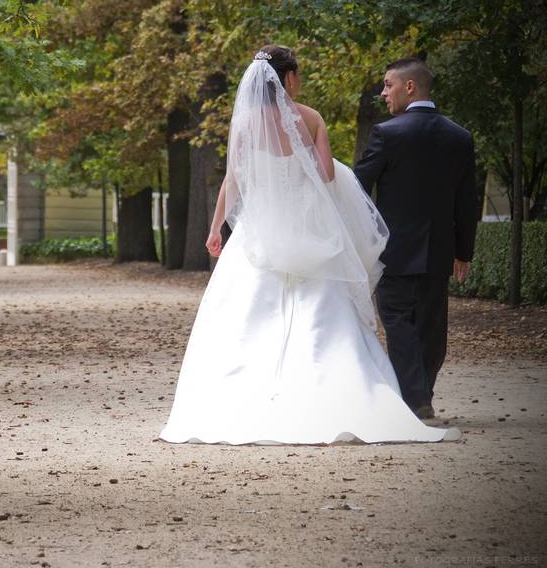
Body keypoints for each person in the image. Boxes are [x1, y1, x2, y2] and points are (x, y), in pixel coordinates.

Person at [158, 46, 458, 445]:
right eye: (298, 73)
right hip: (307, 229)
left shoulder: (246, 123)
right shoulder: (312, 118)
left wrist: (216, 230)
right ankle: (338, 392)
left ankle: (243, 396)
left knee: (244, 315)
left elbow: (233, 181)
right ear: (290, 78)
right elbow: (326, 177)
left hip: (259, 233)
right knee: (324, 315)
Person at [353, 57, 477, 419]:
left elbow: (360, 186)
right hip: (439, 252)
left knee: (397, 322)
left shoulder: (387, 134)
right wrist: (463, 252)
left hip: (394, 250)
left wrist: (359, 234)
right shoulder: (460, 137)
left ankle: (416, 399)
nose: (383, 92)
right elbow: (465, 200)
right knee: (431, 326)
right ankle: (422, 394)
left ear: (410, 87)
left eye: (388, 84)